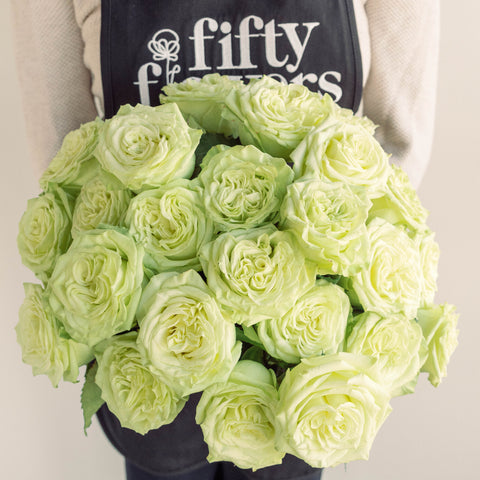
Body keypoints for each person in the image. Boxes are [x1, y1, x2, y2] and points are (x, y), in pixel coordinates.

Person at [11, 1, 440, 479]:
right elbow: (65, 153)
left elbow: (394, 149)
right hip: (147, 357)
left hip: (298, 366)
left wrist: (323, 287)